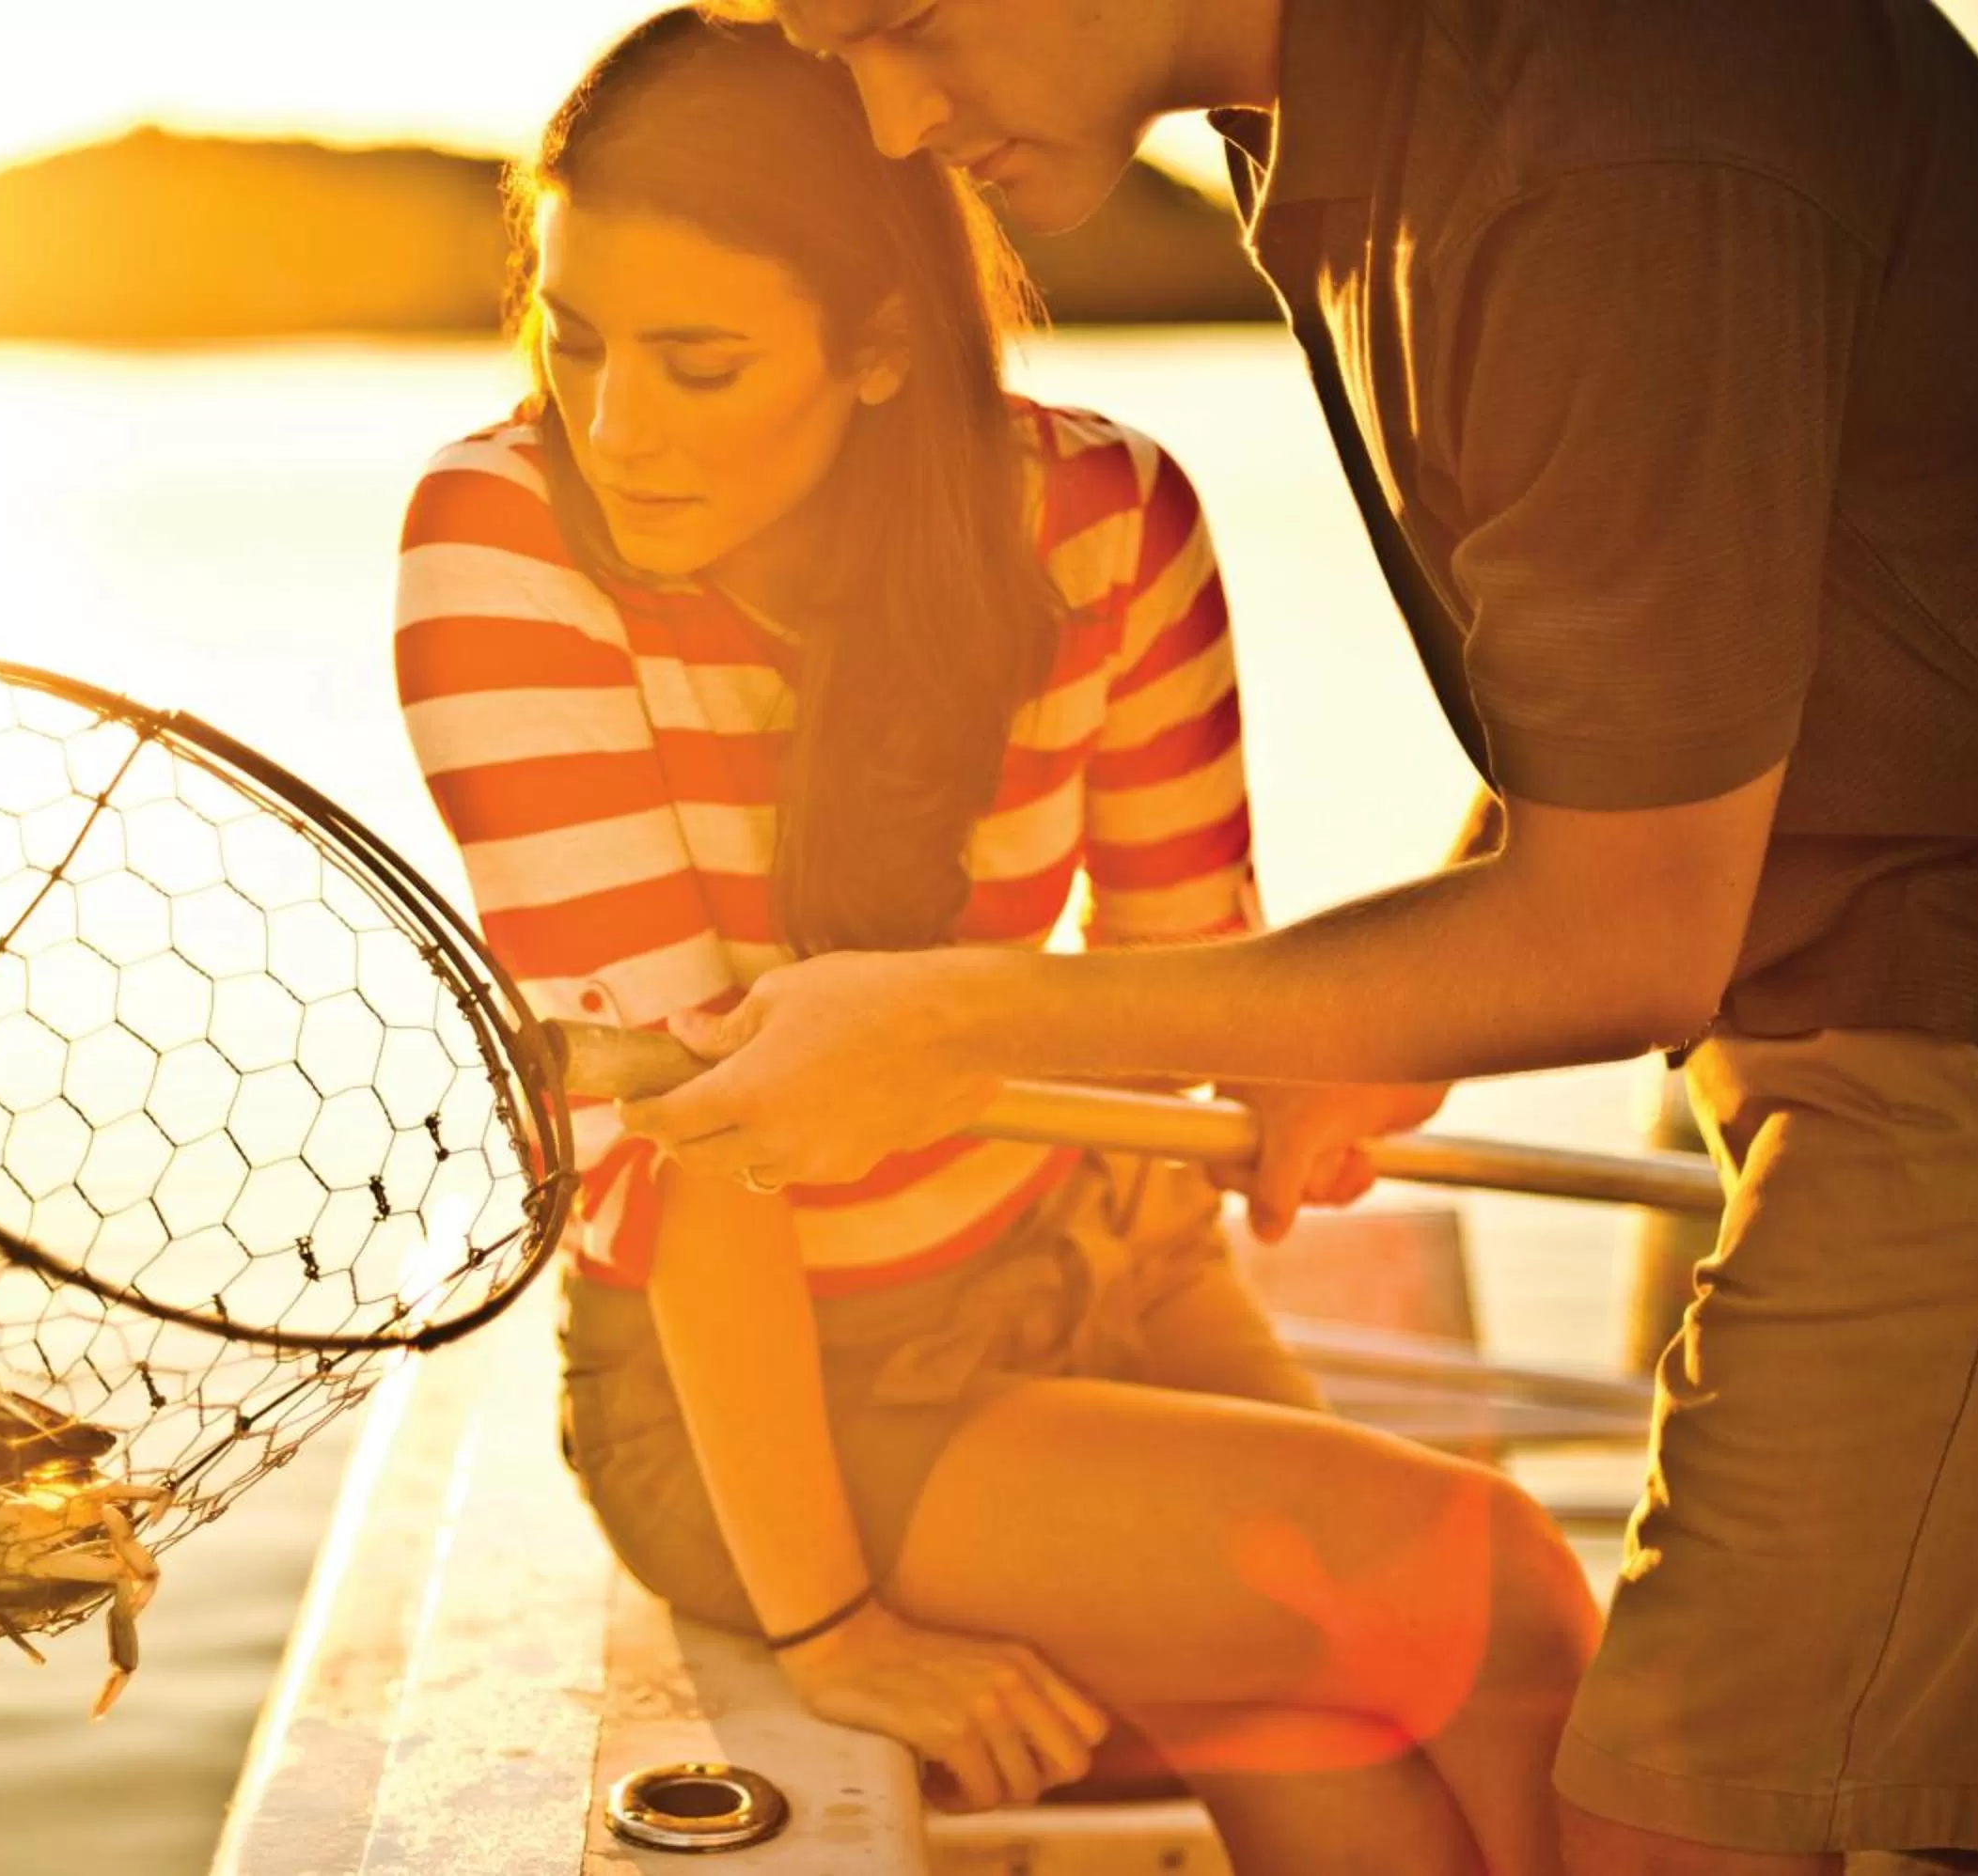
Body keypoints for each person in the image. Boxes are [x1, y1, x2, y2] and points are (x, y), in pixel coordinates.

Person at [624, 1, 1978, 1870]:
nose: (896, 121)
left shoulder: (1604, 139)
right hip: (1828, 999)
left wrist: (944, 1031)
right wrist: (1402, 1011)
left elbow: (1629, 924)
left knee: (1667, 1832)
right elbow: (1699, 655)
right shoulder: (1331, 109)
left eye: (906, 20)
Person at [393, 11, 1597, 1868]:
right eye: (575, 338)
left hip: (1086, 1260)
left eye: (698, 361)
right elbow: (697, 1143)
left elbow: (1193, 961)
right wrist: (832, 1627)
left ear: (882, 346)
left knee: (1355, 1739)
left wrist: (1286, 1084)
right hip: (758, 1387)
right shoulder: (502, 550)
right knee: (1494, 1580)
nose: (615, 424)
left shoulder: (1109, 519)